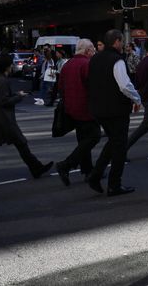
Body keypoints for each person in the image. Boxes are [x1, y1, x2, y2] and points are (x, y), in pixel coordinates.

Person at [86, 29, 142, 196]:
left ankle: (95, 175)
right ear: (116, 42)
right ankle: (114, 184)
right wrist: (137, 99)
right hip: (116, 110)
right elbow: (124, 85)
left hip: (98, 109)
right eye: (121, 41)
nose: (123, 44)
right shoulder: (117, 60)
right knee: (120, 147)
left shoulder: (95, 59)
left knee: (113, 141)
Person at [0, 53, 54, 179]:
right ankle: (36, 168)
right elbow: (4, 101)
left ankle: (36, 168)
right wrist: (19, 97)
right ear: (6, 66)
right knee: (20, 144)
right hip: (3, 120)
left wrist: (16, 94)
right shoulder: (2, 81)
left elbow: (1, 97)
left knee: (19, 144)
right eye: (10, 64)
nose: (12, 66)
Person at [55, 39, 100, 186]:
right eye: (93, 50)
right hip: (85, 108)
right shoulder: (87, 64)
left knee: (83, 139)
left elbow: (60, 87)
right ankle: (66, 165)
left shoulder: (67, 65)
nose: (94, 53)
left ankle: (88, 170)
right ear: (87, 51)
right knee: (94, 136)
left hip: (71, 108)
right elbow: (93, 87)